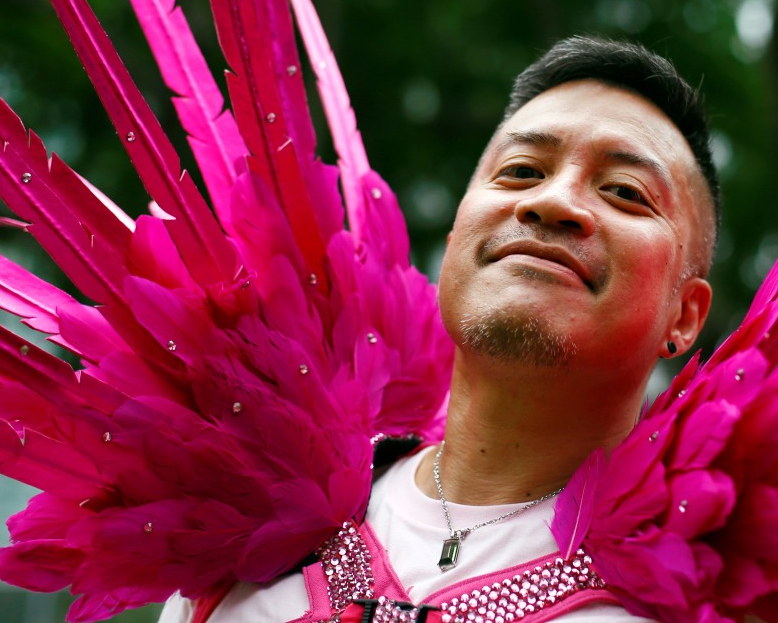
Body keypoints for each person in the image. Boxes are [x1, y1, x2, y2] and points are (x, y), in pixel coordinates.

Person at [158, 35, 719, 623]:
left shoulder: (701, 600)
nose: (553, 202)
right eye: (521, 171)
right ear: (454, 248)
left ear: (684, 315)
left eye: (625, 193)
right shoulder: (243, 541)